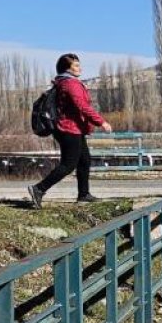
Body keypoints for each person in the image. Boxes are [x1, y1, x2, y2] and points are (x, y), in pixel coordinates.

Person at [28, 53, 112, 208]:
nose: (80, 68)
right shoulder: (70, 84)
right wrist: (101, 122)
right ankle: (39, 189)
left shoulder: (65, 82)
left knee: (84, 160)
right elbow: (82, 106)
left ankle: (83, 194)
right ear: (67, 68)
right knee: (68, 164)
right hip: (68, 129)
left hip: (74, 128)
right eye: (76, 65)